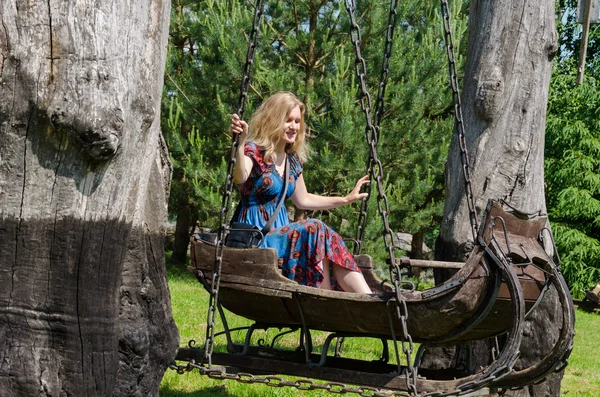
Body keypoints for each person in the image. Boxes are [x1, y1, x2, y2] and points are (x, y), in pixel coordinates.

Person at [229, 91, 372, 294]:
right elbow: (240, 177)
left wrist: (345, 199)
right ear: (273, 120)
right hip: (256, 238)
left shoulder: (292, 161)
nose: (294, 127)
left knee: (323, 235)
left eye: (297, 121)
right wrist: (240, 144)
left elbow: (303, 199)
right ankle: (327, 297)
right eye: (288, 120)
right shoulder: (254, 151)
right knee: (315, 228)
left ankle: (366, 298)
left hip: (283, 237)